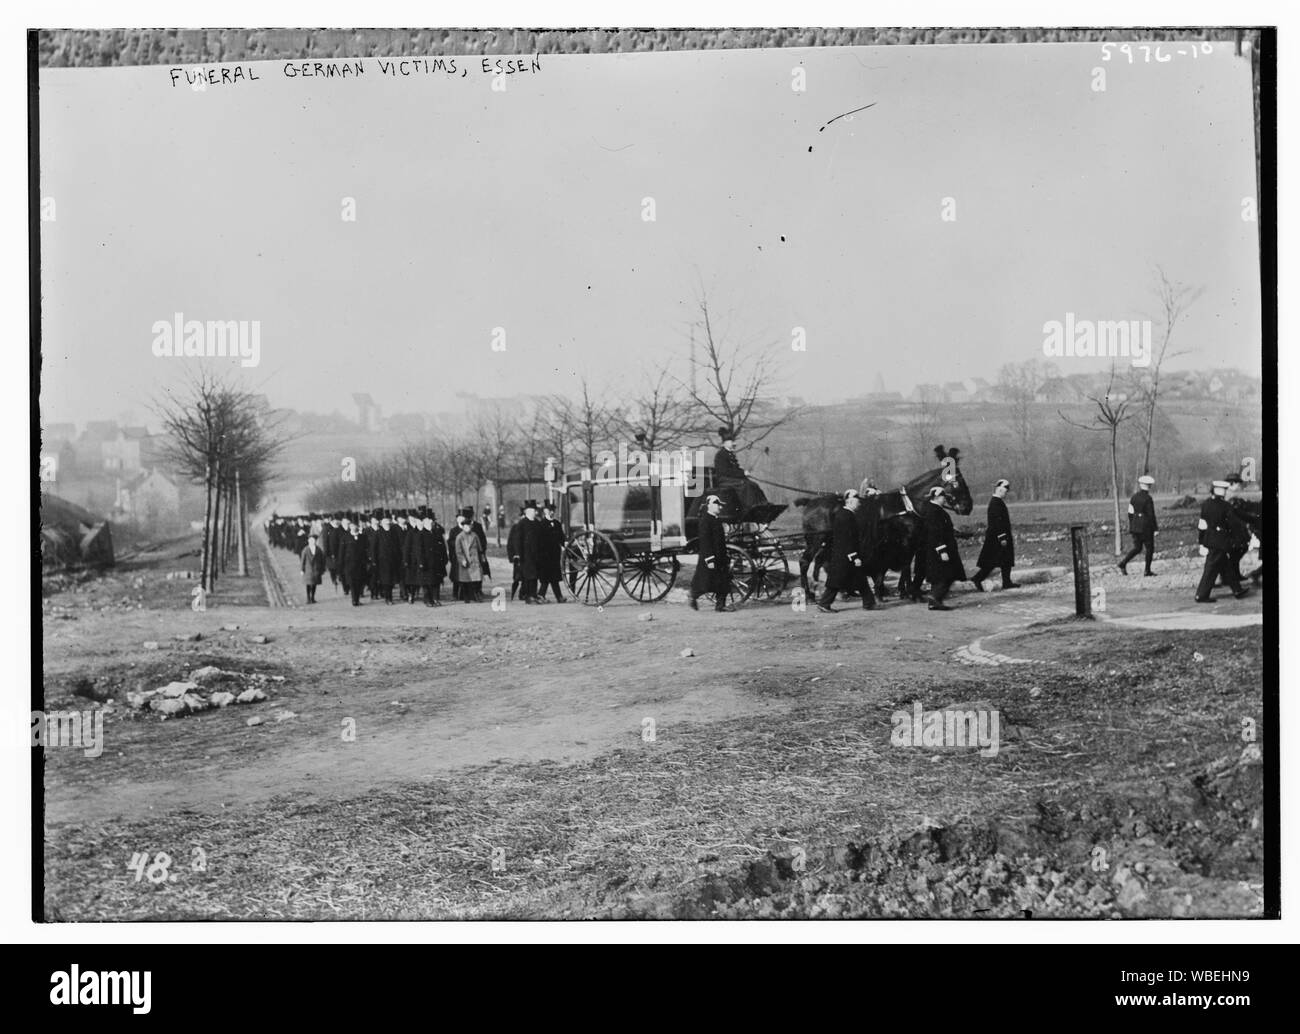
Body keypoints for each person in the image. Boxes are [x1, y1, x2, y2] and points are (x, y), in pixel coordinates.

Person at [817, 490, 876, 613]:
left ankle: (869, 603)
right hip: (845, 555)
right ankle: (824, 603)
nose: (859, 504)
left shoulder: (845, 514)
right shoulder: (846, 516)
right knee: (837, 580)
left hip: (844, 554)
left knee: (860, 579)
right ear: (849, 502)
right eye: (857, 501)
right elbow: (846, 538)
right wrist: (854, 557)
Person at [1195, 481, 1251, 603]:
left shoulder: (1206, 504)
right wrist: (1240, 538)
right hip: (1221, 540)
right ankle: (1201, 595)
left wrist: (1201, 540)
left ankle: (1237, 590)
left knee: (1226, 565)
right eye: (1223, 490)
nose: (1225, 492)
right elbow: (1233, 524)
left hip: (1209, 538)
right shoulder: (1225, 506)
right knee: (1211, 568)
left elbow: (1202, 524)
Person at [921, 485, 966, 611]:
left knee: (941, 575)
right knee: (947, 575)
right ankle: (935, 598)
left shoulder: (934, 509)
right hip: (940, 550)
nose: (944, 499)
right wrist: (942, 550)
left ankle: (935, 600)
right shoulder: (933, 511)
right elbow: (935, 532)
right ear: (936, 497)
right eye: (942, 496)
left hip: (941, 548)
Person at [972, 479, 1019, 591]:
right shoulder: (995, 503)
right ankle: (977, 579)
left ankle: (1007, 582)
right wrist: (1002, 537)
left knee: (1006, 560)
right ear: (999, 489)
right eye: (1004, 490)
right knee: (992, 562)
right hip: (997, 537)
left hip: (999, 535)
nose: (1006, 492)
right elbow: (997, 522)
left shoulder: (997, 502)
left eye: (1006, 490)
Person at [712, 426, 769, 516]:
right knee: (745, 485)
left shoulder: (730, 454)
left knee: (754, 485)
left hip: (731, 479)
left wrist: (744, 473)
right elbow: (726, 471)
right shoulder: (720, 455)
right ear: (724, 443)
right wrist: (742, 473)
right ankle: (751, 506)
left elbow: (736, 469)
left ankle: (763, 504)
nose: (733, 443)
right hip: (724, 480)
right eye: (731, 441)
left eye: (733, 441)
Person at [688, 494, 732, 611]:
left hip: (719, 556)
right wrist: (709, 559)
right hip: (710, 557)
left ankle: (720, 606)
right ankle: (692, 596)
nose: (720, 507)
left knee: (723, 581)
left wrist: (724, 555)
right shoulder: (705, 520)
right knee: (705, 582)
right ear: (709, 505)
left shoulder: (716, 519)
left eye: (720, 505)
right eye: (717, 504)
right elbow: (705, 541)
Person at [1118, 475, 1158, 576]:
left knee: (1137, 548)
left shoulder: (1134, 497)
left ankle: (1123, 563)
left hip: (1135, 526)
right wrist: (1155, 528)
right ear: (1149, 486)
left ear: (1140, 485)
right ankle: (1147, 571)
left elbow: (1130, 513)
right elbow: (1151, 514)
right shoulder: (1148, 498)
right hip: (1146, 527)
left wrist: (1133, 523)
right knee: (1150, 548)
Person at [538, 500, 568, 602]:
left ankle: (556, 596)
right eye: (550, 510)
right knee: (547, 576)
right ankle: (546, 595)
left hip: (555, 554)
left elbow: (561, 537)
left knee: (554, 576)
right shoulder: (541, 524)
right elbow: (540, 540)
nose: (552, 512)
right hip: (545, 555)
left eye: (553, 511)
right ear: (545, 511)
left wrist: (564, 545)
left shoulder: (557, 523)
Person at [455, 514, 487, 602]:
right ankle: (466, 597)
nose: (468, 527)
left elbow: (480, 548)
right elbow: (458, 551)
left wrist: (482, 557)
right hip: (466, 560)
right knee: (466, 580)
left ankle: (476, 595)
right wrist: (462, 560)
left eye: (469, 526)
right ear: (463, 527)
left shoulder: (474, 535)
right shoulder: (459, 537)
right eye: (466, 526)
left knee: (477, 579)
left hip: (475, 560)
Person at [339, 521, 369, 606]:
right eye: (352, 525)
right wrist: (341, 565)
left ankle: (357, 599)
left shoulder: (363, 537)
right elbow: (341, 552)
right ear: (350, 526)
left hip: (360, 564)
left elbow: (366, 550)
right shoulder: (345, 537)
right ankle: (354, 600)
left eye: (355, 525)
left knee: (359, 582)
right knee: (352, 583)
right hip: (349, 564)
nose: (354, 527)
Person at [300, 533, 326, 604]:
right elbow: (303, 560)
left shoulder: (318, 550)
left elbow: (322, 560)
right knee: (308, 584)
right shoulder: (305, 550)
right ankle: (308, 598)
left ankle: (313, 598)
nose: (312, 542)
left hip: (316, 569)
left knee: (314, 584)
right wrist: (302, 569)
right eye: (311, 540)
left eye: (313, 540)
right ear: (308, 541)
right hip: (308, 570)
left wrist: (323, 569)